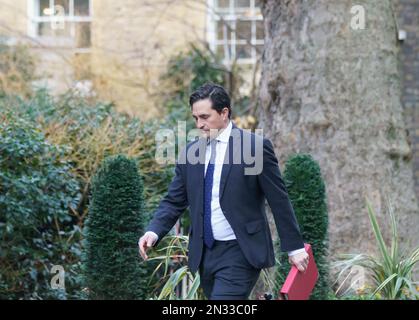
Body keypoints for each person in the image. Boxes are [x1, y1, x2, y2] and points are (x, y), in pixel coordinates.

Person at [139, 83, 309, 300]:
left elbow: (278, 199)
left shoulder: (254, 147)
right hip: (204, 255)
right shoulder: (191, 153)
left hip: (241, 251)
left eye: (205, 117)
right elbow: (174, 200)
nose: (199, 124)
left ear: (224, 113)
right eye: (195, 118)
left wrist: (294, 248)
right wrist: (153, 231)